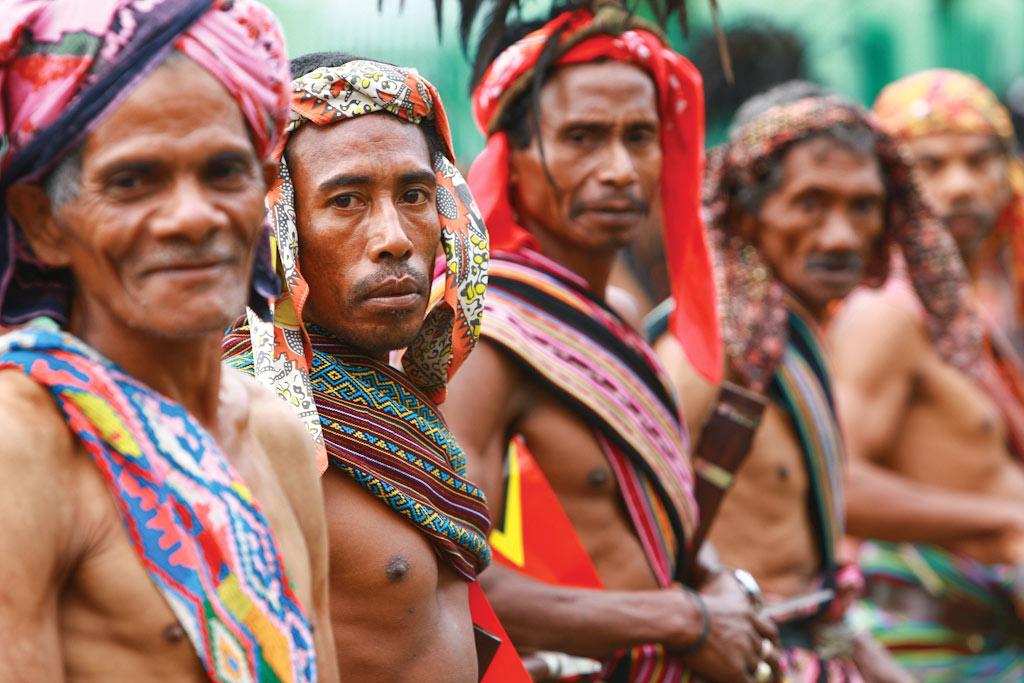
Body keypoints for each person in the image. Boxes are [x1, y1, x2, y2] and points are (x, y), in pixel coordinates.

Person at [0, 1, 338, 681]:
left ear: (265, 195)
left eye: (223, 172)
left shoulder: (280, 438)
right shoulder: (24, 442)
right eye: (133, 181)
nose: (192, 216)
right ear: (42, 223)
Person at [444, 3, 780, 681]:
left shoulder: (620, 310)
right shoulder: (485, 335)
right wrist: (684, 618)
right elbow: (451, 573)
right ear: (512, 156)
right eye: (582, 137)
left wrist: (717, 588)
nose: (621, 169)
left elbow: (656, 525)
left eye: (640, 136)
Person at [221, 53, 517, 682]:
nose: (395, 237)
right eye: (347, 200)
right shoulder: (238, 412)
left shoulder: (398, 400)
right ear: (276, 226)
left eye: (413, 196)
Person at [649, 82, 941, 682]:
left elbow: (820, 596)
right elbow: (638, 536)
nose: (839, 236)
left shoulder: (787, 338)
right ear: (749, 210)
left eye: (862, 206)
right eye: (810, 203)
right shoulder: (711, 351)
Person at [830, 69, 1024, 680]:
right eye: (930, 165)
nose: (961, 186)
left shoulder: (967, 307)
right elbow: (834, 482)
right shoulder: (885, 312)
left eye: (979, 159)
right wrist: (1006, 520)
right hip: (932, 644)